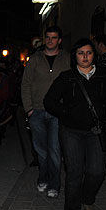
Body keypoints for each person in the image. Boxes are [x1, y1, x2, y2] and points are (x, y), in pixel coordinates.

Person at [43, 38, 106, 210]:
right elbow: (49, 101)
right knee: (74, 172)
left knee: (97, 171)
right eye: (81, 53)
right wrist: (66, 113)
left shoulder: (105, 76)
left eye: (88, 52)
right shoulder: (66, 77)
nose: (85, 56)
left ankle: (88, 198)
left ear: (94, 55)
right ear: (75, 56)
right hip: (71, 131)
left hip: (96, 131)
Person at [21, 26, 69, 198]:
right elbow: (25, 84)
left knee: (55, 150)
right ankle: (43, 177)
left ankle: (55, 184)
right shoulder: (34, 59)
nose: (50, 40)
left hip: (57, 112)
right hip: (37, 111)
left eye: (54, 37)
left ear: (59, 40)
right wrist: (29, 109)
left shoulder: (67, 59)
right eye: (47, 37)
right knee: (41, 150)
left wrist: (67, 108)